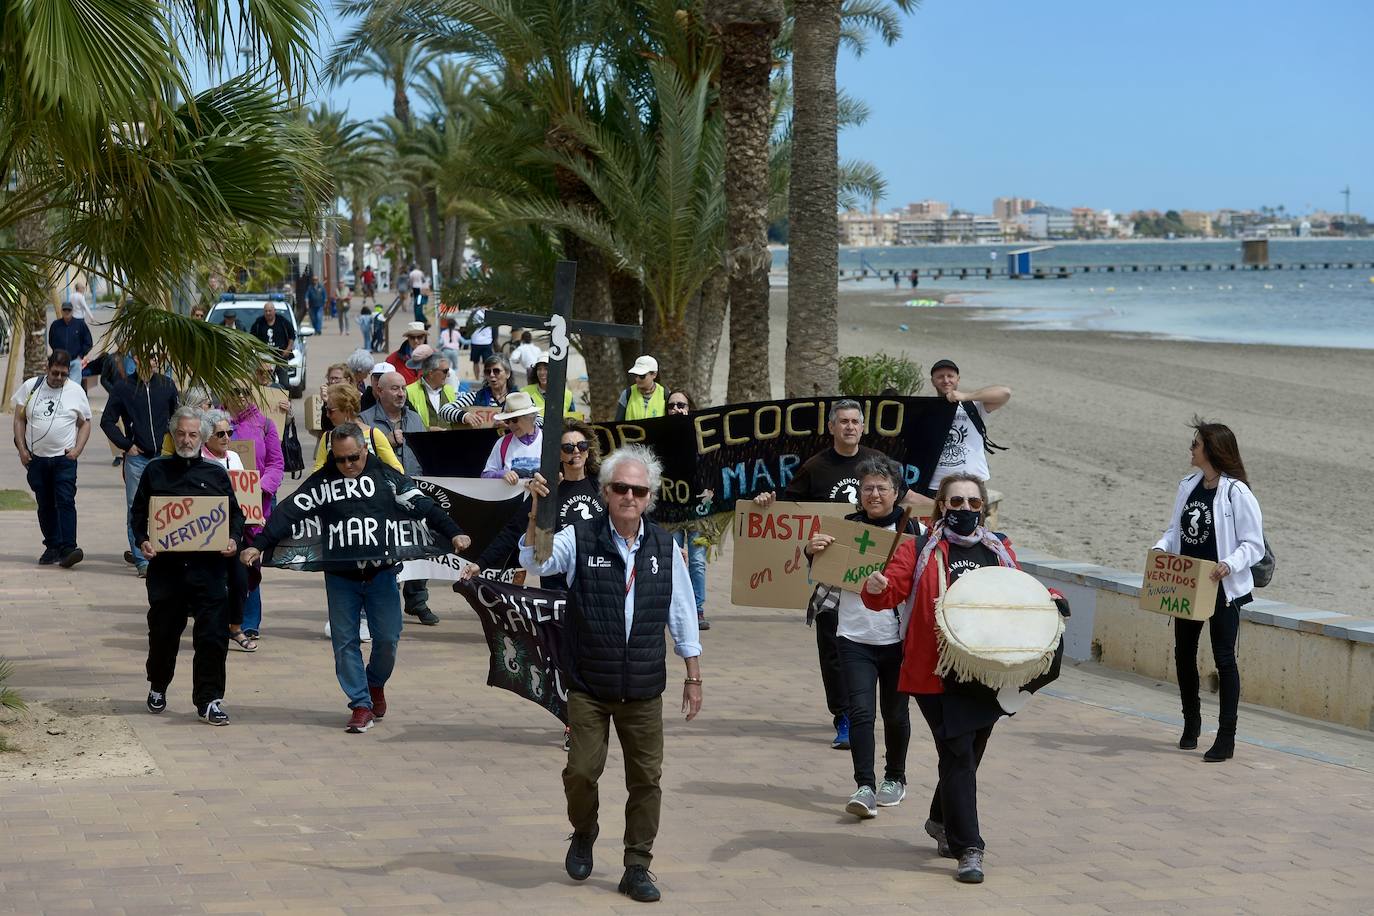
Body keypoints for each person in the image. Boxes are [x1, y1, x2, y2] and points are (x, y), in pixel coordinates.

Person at [519, 445, 702, 903]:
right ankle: (584, 830)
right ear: (605, 492)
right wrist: (539, 512)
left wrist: (693, 674)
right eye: (620, 488)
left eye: (638, 490)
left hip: (642, 687)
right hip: (589, 684)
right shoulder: (581, 537)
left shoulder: (665, 544)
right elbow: (536, 562)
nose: (629, 496)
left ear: (649, 497)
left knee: (647, 780)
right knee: (581, 771)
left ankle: (637, 865)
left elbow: (681, 611)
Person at [240, 423, 470, 733]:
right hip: (341, 576)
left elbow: (423, 504)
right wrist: (258, 545)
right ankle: (360, 704)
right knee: (344, 642)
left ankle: (375, 683)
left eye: (353, 458)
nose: (348, 466)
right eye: (340, 460)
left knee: (388, 639)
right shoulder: (322, 481)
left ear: (365, 450)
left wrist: (454, 532)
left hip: (382, 573)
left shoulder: (385, 476)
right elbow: (288, 512)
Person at [860, 472, 1023, 884]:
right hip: (936, 671)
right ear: (941, 507)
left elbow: (1020, 595)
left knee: (970, 751)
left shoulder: (999, 549)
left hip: (987, 672)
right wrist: (875, 586)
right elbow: (889, 591)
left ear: (982, 506)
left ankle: (939, 818)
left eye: (972, 502)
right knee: (959, 754)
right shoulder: (919, 549)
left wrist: (1052, 601)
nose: (965, 509)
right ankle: (969, 846)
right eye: (956, 502)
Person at [754, 399, 891, 750]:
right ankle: (843, 716)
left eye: (855, 421)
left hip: (873, 573)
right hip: (831, 575)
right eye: (842, 421)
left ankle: (875, 713)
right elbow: (790, 511)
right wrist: (766, 504)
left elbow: (900, 500)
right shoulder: (815, 466)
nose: (849, 427)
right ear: (831, 427)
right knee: (832, 648)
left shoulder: (877, 463)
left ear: (863, 427)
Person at [805, 457, 920, 819]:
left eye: (882, 488)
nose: (874, 494)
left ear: (896, 493)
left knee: (895, 714)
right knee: (860, 713)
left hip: (897, 639)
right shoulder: (845, 530)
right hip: (853, 635)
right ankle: (865, 786)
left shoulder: (915, 532)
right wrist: (812, 551)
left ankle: (895, 778)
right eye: (867, 487)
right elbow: (820, 570)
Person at [1153, 419, 1264, 763]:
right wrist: (1160, 549)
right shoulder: (1187, 485)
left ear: (1212, 450)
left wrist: (1229, 563)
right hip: (1189, 582)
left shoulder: (1236, 493)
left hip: (1222, 588)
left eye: (1196, 444)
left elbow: (1254, 544)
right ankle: (1191, 723)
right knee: (1183, 654)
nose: (1191, 448)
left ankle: (1226, 737)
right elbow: (1176, 530)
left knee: (1224, 659)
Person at [133, 407, 245, 726]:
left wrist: (234, 540)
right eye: (181, 433)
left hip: (208, 572)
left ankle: (209, 700)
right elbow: (138, 515)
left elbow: (235, 516)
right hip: (166, 573)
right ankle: (158, 682)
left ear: (202, 437)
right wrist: (143, 540)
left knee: (212, 637)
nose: (186, 439)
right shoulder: (155, 472)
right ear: (172, 435)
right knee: (163, 636)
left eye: (193, 434)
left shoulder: (216, 474)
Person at [359, 370, 438, 626]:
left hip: (415, 493)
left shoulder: (415, 419)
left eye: (403, 388)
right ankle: (382, 603)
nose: (401, 393)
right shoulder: (365, 421)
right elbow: (361, 461)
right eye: (394, 388)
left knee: (419, 546)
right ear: (378, 391)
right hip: (381, 497)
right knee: (385, 551)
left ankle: (417, 601)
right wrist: (389, 443)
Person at [12, 352, 92, 568]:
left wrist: (77, 449)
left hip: (64, 459)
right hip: (37, 459)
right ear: (47, 368)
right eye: (55, 372)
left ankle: (69, 548)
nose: (58, 377)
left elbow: (85, 422)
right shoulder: (31, 387)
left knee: (66, 500)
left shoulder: (75, 391)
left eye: (63, 374)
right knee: (45, 503)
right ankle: (52, 546)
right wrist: (21, 448)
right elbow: (19, 418)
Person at [102, 355, 179, 577]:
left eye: (155, 357)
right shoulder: (123, 387)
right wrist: (126, 445)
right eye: (147, 356)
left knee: (165, 507)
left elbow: (177, 416)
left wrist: (174, 445)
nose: (151, 361)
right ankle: (141, 560)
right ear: (136, 359)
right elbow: (107, 420)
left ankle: (164, 553)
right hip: (137, 459)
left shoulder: (166, 385)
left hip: (163, 457)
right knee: (136, 509)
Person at [224, 386, 284, 644]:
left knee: (249, 563)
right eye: (233, 391)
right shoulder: (217, 421)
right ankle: (223, 619)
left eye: (244, 391)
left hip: (254, 507)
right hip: (221, 507)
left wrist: (260, 487)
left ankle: (248, 623)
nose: (239, 397)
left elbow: (276, 464)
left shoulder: (265, 424)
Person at [199, 409, 255, 652]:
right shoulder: (199, 460)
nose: (225, 437)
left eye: (228, 432)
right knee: (210, 582)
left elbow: (245, 494)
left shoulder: (233, 457)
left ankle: (235, 627)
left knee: (240, 580)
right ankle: (210, 629)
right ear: (206, 437)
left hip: (233, 531)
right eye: (219, 433)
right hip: (207, 531)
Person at [925, 359, 1011, 497]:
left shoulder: (973, 406)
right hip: (935, 483)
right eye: (940, 377)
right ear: (933, 381)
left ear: (958, 379)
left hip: (972, 483)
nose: (946, 380)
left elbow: (1005, 393)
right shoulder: (926, 408)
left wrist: (966, 396)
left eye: (950, 376)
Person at [665, 389, 709, 629]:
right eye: (671, 406)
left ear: (690, 408)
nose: (676, 410)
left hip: (699, 512)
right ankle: (675, 608)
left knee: (698, 561)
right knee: (672, 559)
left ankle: (697, 609)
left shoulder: (703, 436)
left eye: (681, 405)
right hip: (670, 512)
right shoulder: (660, 437)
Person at [312, 384, 403, 474]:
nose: (327, 415)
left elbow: (397, 468)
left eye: (330, 411)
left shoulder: (373, 435)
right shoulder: (328, 437)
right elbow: (316, 472)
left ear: (347, 410)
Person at [441, 354, 522, 427]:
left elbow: (534, 421)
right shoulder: (475, 396)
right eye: (488, 371)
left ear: (508, 374)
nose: (491, 375)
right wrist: (465, 416)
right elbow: (444, 410)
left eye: (496, 371)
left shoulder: (520, 398)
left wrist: (511, 424)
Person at [481, 392, 543, 483]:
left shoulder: (548, 441)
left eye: (514, 420)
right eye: (507, 421)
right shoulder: (502, 443)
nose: (511, 425)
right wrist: (501, 474)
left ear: (530, 417)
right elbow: (485, 475)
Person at [406, 352, 458, 430]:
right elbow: (405, 424)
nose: (448, 375)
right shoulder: (409, 392)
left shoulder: (449, 390)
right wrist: (428, 430)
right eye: (445, 371)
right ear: (431, 373)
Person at [249, 302, 295, 388]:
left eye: (270, 311)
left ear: (274, 311)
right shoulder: (259, 322)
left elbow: (292, 335)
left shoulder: (283, 321)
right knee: (267, 384)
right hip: (264, 359)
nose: (268, 313)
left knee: (285, 384)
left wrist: (288, 349)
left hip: (281, 358)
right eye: (266, 311)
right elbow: (252, 337)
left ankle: (285, 400)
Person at [48, 302, 94, 388]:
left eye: (69, 310)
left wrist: (80, 355)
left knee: (74, 386)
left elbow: (88, 342)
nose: (67, 311)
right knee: (58, 384)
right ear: (61, 311)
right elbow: (51, 341)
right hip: (59, 361)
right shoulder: (55, 325)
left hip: (75, 361)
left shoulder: (80, 324)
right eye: (65, 309)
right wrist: (57, 354)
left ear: (72, 311)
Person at [522, 352, 578, 419]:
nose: (542, 373)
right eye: (539, 369)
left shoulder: (567, 395)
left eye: (546, 369)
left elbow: (572, 422)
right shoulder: (525, 392)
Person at [615, 355, 667, 421]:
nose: (637, 379)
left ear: (654, 375)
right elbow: (617, 423)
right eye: (635, 375)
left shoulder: (665, 394)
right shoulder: (627, 394)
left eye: (642, 376)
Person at [467, 305, 494, 380]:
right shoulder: (490, 313)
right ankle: (486, 379)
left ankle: (477, 378)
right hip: (487, 341)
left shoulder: (473, 313)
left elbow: (468, 325)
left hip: (475, 341)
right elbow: (494, 327)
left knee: (475, 362)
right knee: (487, 363)